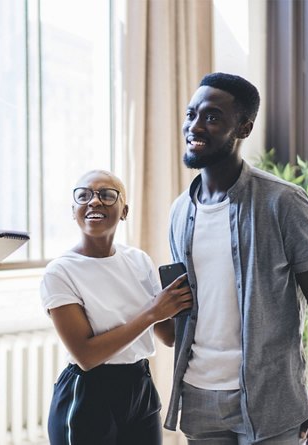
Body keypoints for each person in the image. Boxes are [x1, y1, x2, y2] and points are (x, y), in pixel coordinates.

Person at [164, 72, 308, 445]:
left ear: (243, 129)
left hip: (271, 398)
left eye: (212, 117)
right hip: (199, 396)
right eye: (191, 114)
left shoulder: (283, 202)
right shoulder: (179, 211)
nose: (195, 126)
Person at [40, 169, 193, 445]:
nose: (94, 201)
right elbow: (86, 355)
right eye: (84, 195)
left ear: (124, 210)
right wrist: (152, 313)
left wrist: (183, 299)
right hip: (88, 392)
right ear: (74, 209)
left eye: (107, 195)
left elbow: (168, 336)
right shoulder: (60, 272)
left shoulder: (138, 260)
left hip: (140, 385)